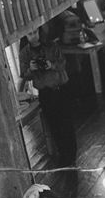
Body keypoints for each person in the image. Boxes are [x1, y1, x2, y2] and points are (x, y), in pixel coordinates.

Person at [19, 24, 77, 167]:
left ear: (38, 31)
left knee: (66, 122)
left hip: (61, 88)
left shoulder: (51, 46)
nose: (33, 36)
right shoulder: (25, 53)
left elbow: (63, 63)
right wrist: (31, 69)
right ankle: (63, 154)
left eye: (35, 32)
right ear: (25, 37)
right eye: (29, 34)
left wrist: (51, 65)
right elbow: (24, 75)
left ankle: (72, 153)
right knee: (54, 125)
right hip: (45, 93)